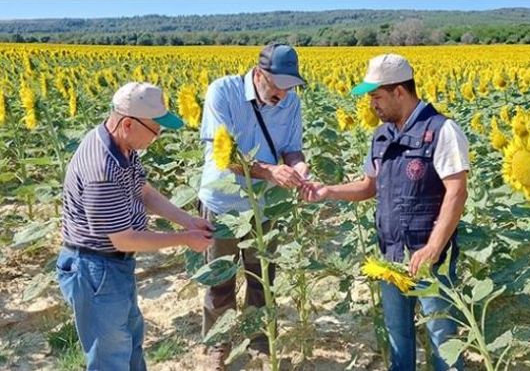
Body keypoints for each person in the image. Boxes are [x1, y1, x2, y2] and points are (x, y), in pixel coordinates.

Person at [301, 54, 469, 371]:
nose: (372, 106)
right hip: (390, 254)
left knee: (441, 337)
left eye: (377, 97)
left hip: (430, 259)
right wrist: (328, 191)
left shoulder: (442, 130)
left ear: (400, 92)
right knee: (398, 336)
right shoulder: (382, 136)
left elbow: (457, 191)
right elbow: (369, 186)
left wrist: (433, 248)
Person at [56, 82, 214, 371]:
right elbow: (124, 239)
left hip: (112, 267)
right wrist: (184, 238)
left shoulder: (122, 147)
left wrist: (188, 220)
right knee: (110, 358)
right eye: (155, 129)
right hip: (95, 270)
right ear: (128, 123)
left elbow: (142, 191)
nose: (158, 136)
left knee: (129, 345)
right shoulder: (101, 168)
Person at [198, 43, 309, 368]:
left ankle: (259, 341)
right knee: (220, 279)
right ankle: (219, 344)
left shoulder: (290, 104)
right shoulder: (223, 93)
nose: (284, 96)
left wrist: (298, 166)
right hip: (224, 203)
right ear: (259, 74)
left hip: (264, 205)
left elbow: (292, 148)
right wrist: (270, 171)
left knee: (263, 279)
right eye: (278, 87)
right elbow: (225, 155)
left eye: (290, 88)